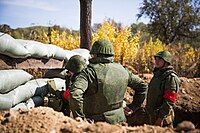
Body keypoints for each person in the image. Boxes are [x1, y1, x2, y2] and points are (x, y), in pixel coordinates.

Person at [69, 39, 148, 124]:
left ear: (95, 54)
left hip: (96, 124)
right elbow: (142, 86)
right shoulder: (123, 70)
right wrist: (133, 107)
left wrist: (81, 119)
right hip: (120, 121)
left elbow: (75, 94)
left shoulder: (89, 72)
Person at [146, 51, 180, 127]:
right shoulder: (158, 75)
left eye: (160, 60)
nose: (156, 62)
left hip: (163, 121)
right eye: (156, 59)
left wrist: (160, 118)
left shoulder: (170, 77)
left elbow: (170, 100)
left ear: (166, 62)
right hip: (153, 117)